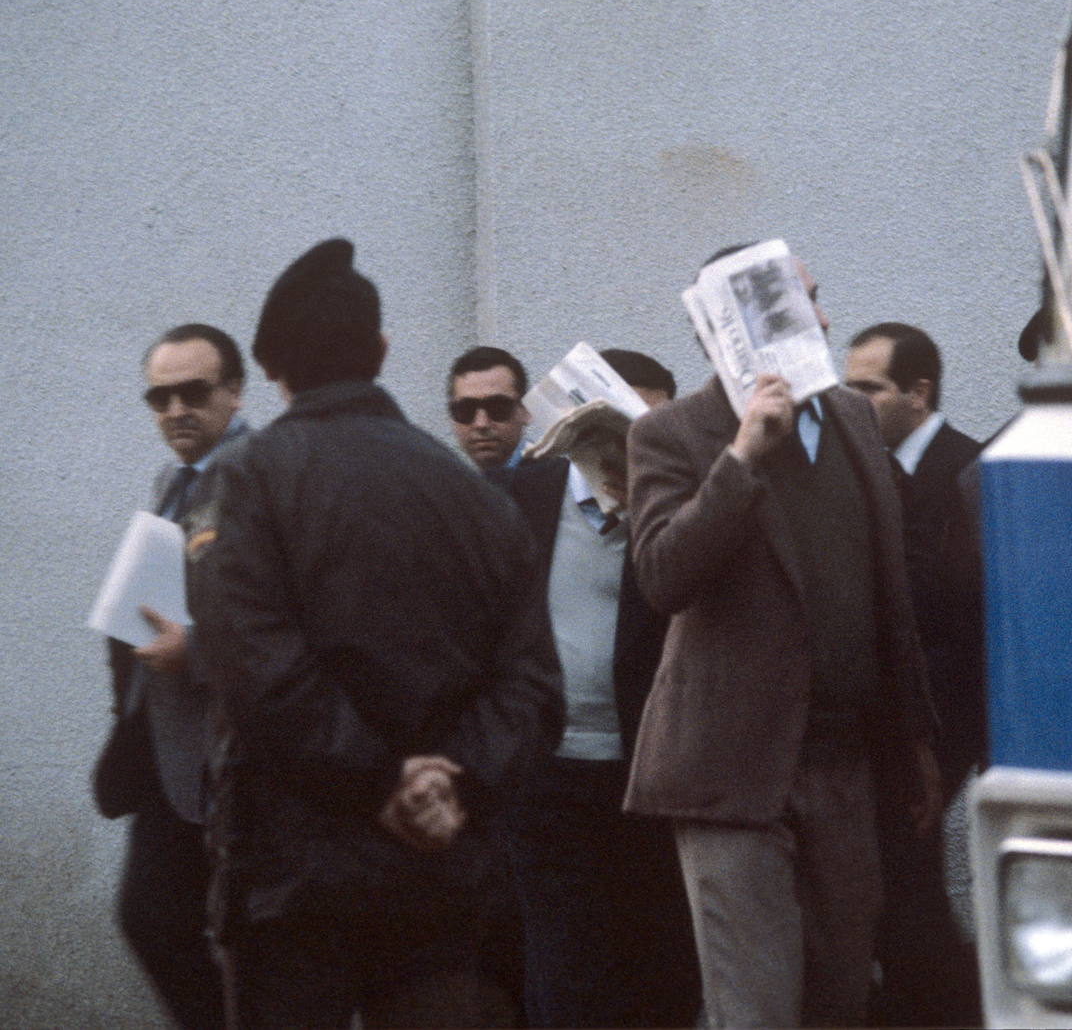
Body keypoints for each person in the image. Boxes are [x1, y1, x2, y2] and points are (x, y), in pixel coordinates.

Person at [189, 239, 563, 1028]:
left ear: (270, 367)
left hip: (295, 880)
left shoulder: (244, 480)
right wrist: (446, 785)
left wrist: (378, 778)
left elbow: (258, 672)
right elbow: (530, 686)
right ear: (382, 351)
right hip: (444, 873)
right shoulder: (474, 495)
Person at [624, 246, 942, 1028]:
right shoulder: (673, 433)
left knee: (838, 998)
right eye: (804, 305)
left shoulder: (855, 419)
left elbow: (886, 595)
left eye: (818, 299)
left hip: (840, 764)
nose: (827, 320)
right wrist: (741, 460)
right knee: (756, 1010)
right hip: (731, 771)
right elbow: (664, 576)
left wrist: (915, 739)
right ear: (734, 329)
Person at [503, 347, 698, 1029]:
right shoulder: (524, 494)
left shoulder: (684, 508)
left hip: (652, 778)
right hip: (548, 775)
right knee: (564, 970)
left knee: (663, 970)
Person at [91, 322, 249, 1029]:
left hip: (232, 755)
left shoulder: (257, 473)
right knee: (153, 918)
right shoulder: (173, 478)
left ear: (234, 390)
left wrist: (200, 649)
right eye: (160, 397)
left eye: (193, 391)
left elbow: (292, 614)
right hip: (167, 751)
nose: (175, 410)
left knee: (233, 935)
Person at [844, 321, 984, 1028]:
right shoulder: (865, 474)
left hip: (940, 726)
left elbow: (971, 624)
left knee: (905, 889)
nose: (851, 400)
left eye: (867, 387)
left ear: (918, 392)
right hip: (883, 726)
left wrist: (931, 740)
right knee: (895, 891)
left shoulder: (969, 473)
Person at [448, 346, 531, 474]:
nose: (481, 424)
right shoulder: (455, 488)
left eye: (497, 407)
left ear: (526, 410)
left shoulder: (562, 482)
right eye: (466, 409)